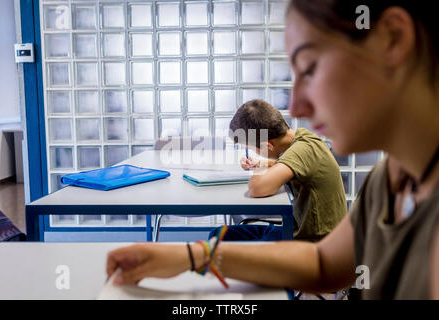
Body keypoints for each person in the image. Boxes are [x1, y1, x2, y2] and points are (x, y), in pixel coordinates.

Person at [107, 0, 439, 299]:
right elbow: (323, 264)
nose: (296, 103)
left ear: (392, 39)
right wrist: (192, 256)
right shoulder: (387, 180)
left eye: (309, 68)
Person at [208, 99, 347, 242]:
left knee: (220, 242)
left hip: (314, 243)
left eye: (251, 149)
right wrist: (262, 162)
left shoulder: (304, 150)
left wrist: (261, 168)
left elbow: (257, 188)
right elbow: (289, 163)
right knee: (219, 234)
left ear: (268, 146)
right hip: (297, 230)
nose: (251, 152)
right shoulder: (302, 138)